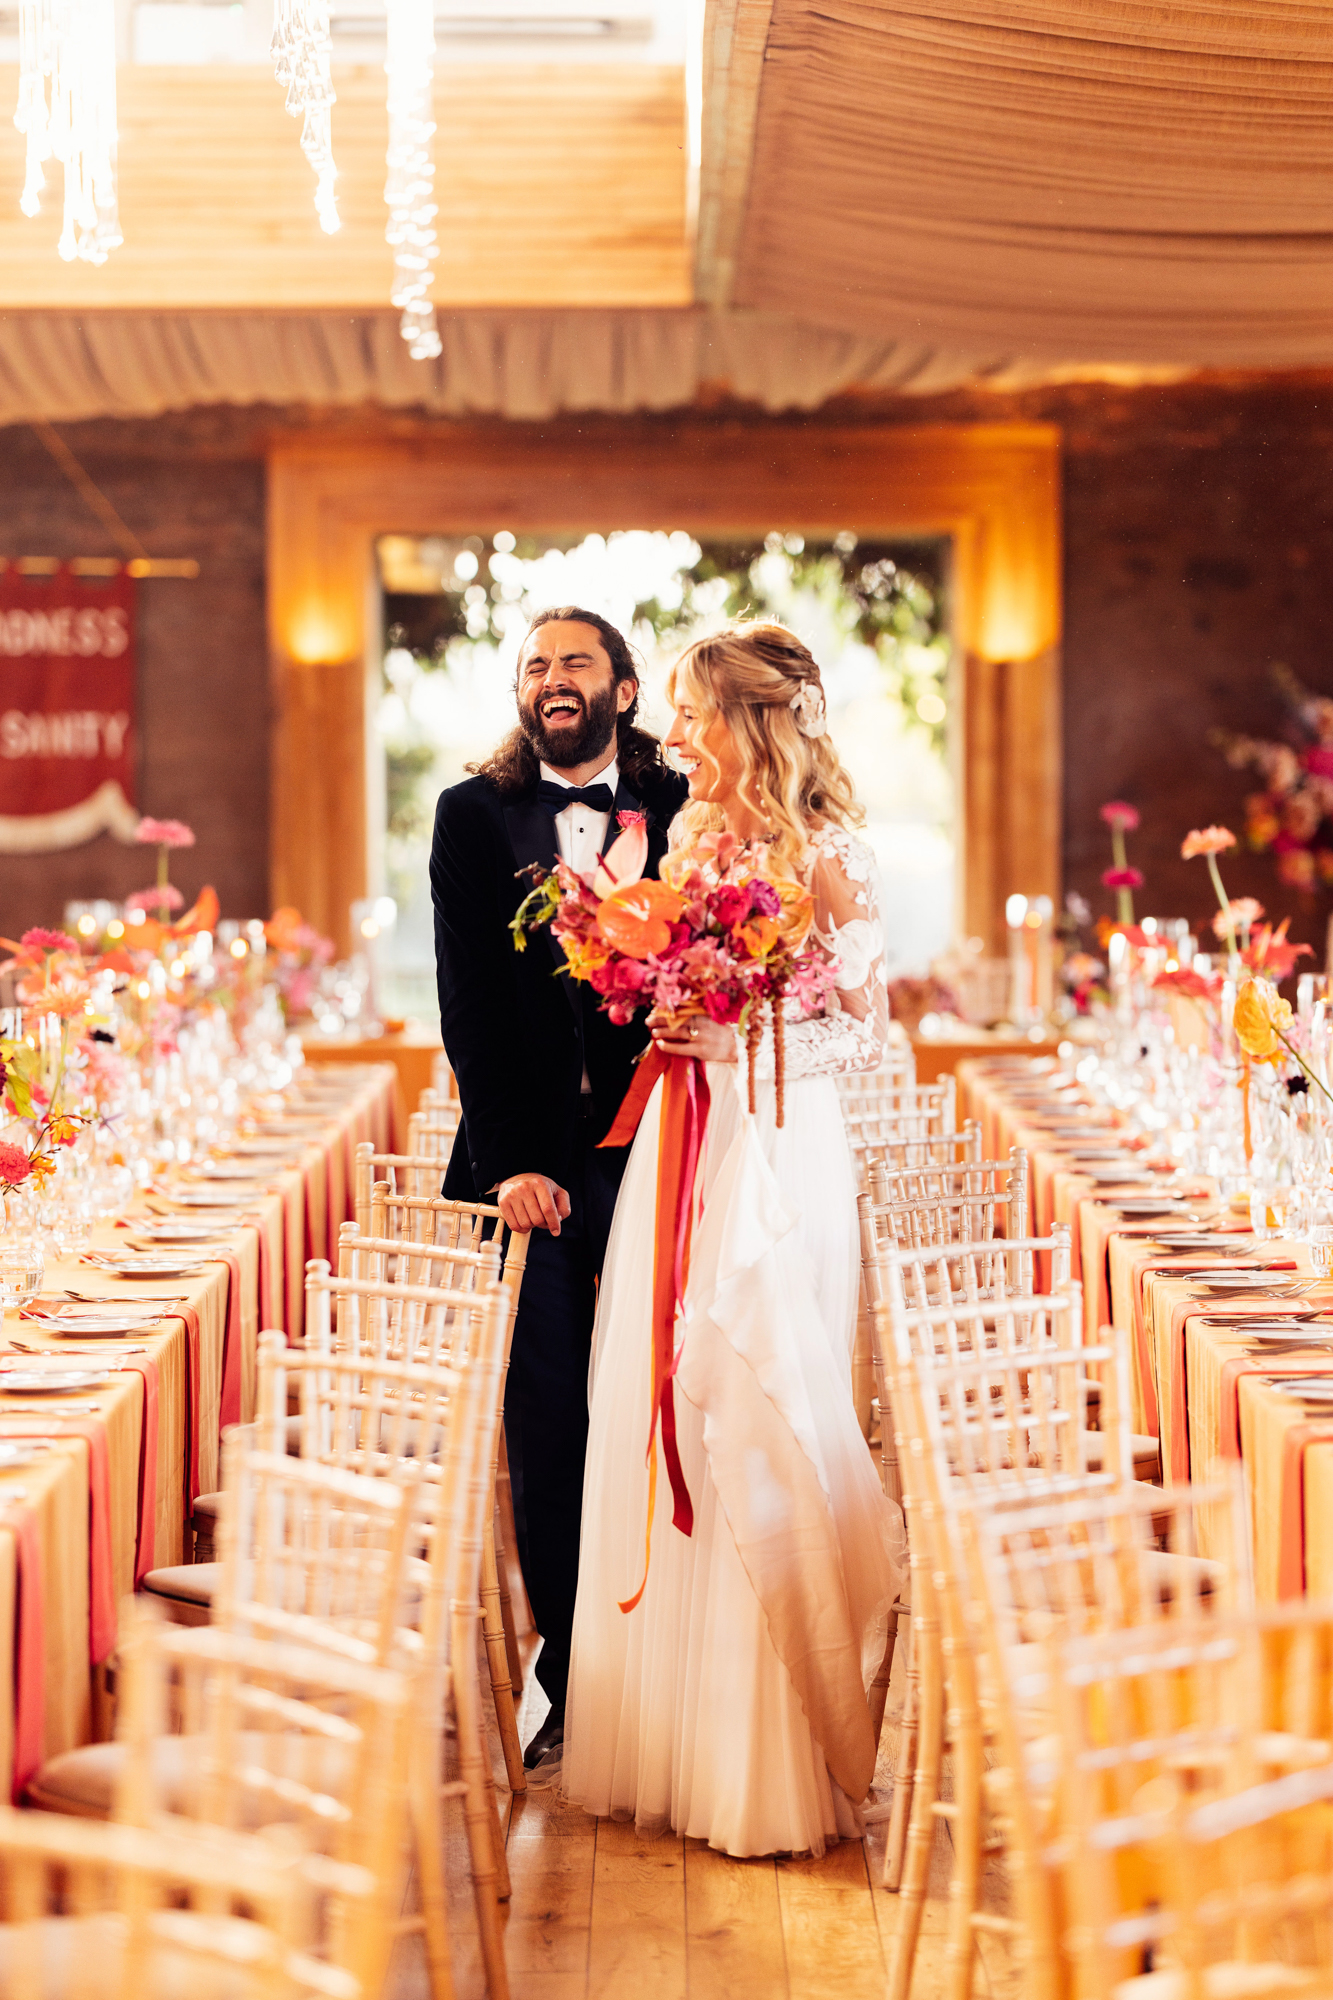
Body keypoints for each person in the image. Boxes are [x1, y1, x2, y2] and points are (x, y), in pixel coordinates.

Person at [563, 619, 905, 1855]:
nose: (678, 735)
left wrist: (744, 1042)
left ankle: (769, 1755)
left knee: (759, 1400)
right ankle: (670, 1738)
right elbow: (672, 976)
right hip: (685, 1138)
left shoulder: (830, 855)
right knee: (659, 1402)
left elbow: (873, 1036)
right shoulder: (691, 838)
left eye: (698, 713)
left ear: (755, 722)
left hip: (783, 1148)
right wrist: (654, 997)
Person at [430, 606, 689, 1772]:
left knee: (657, 1414)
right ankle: (572, 1680)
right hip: (532, 1169)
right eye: (536, 665)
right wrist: (512, 1161)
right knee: (549, 1422)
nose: (553, 680)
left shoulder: (688, 807)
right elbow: (468, 1001)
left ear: (623, 688)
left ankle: (667, 1674)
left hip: (658, 1157)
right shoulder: (472, 816)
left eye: (576, 661)